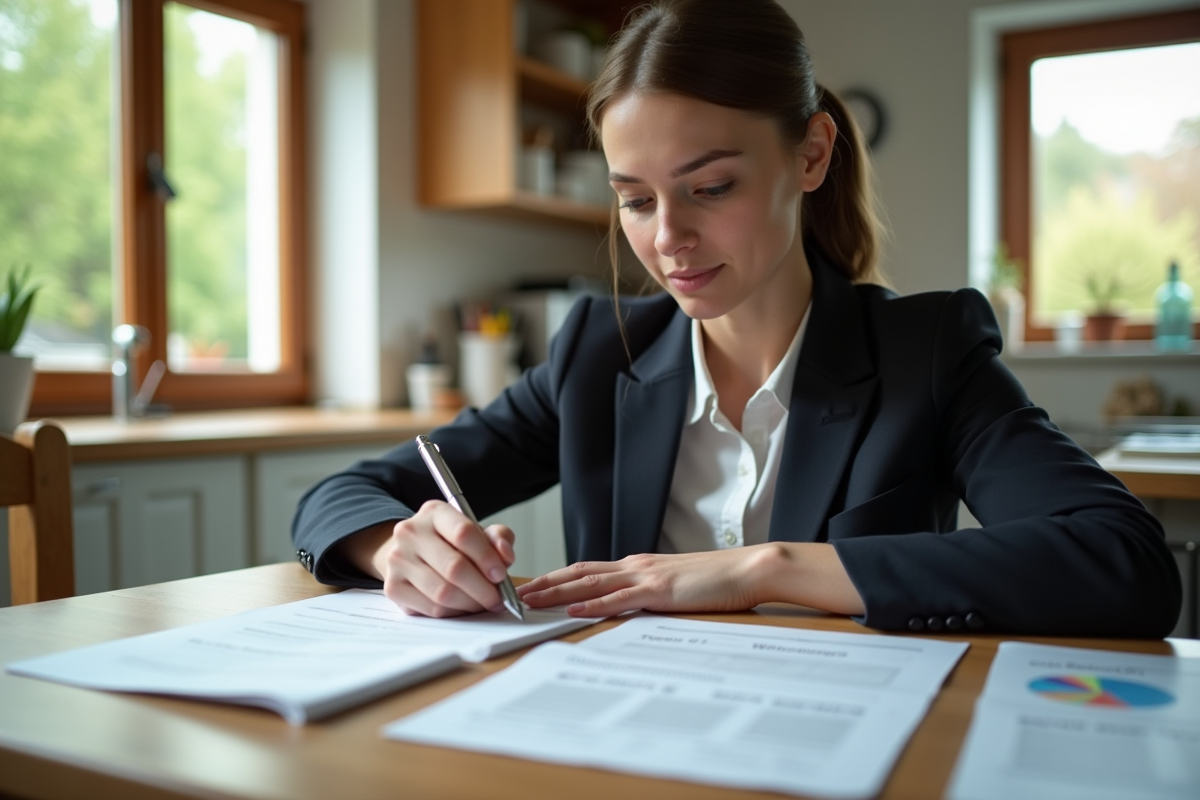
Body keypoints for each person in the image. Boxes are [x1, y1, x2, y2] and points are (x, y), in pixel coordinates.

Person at [292, 0, 1180, 637]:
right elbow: (340, 497)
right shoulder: (600, 355)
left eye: (711, 188)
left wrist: (765, 570)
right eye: (635, 200)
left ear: (811, 155)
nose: (669, 239)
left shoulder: (927, 352)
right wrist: (397, 549)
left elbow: (1123, 561)